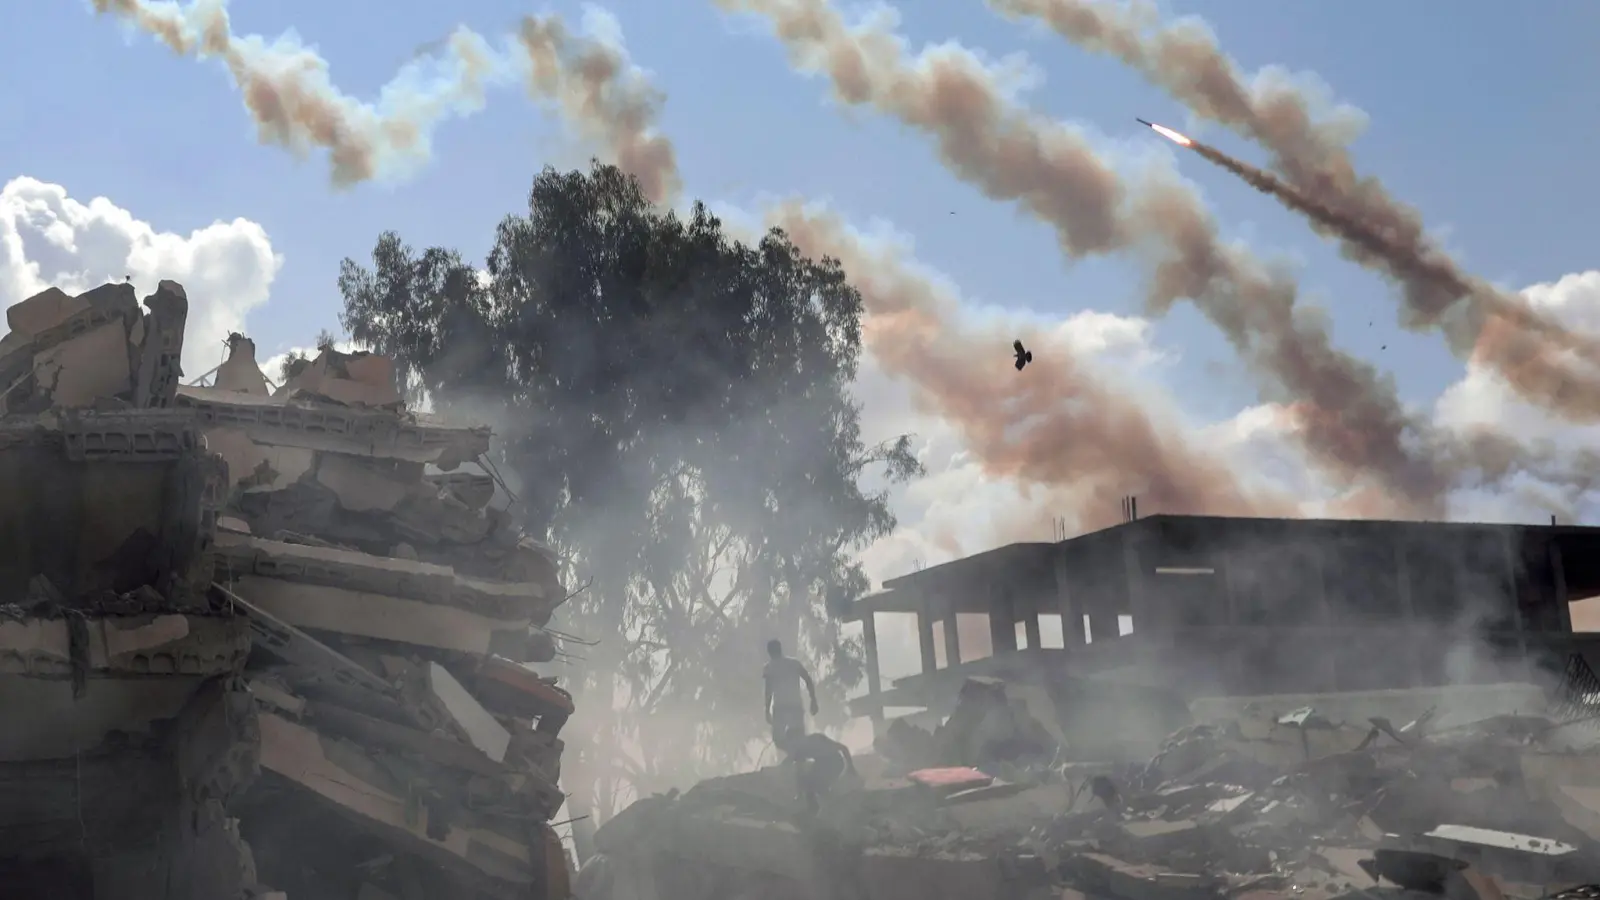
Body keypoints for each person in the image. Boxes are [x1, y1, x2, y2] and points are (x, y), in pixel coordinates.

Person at [783, 729, 856, 813]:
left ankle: (834, 804)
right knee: (808, 783)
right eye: (792, 743)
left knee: (819, 786)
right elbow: (799, 772)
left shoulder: (817, 739)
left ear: (801, 737)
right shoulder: (799, 750)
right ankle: (814, 808)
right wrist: (799, 794)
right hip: (821, 764)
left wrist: (851, 766)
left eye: (795, 740)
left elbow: (843, 748)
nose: (794, 744)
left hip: (835, 762)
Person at [763, 639, 817, 751]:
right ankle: (796, 755)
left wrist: (767, 710)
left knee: (778, 739)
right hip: (794, 705)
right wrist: (813, 700)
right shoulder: (794, 663)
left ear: (769, 652)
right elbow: (808, 680)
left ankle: (794, 754)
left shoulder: (769, 667)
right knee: (798, 738)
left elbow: (768, 691)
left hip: (781, 708)